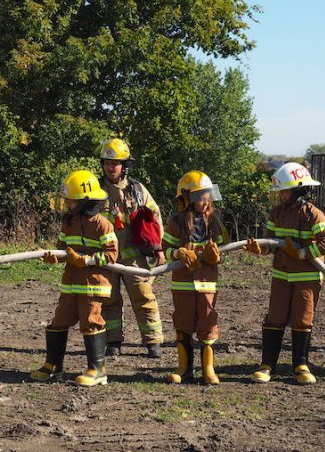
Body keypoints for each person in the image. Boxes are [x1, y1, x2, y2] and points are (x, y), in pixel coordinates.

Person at [244, 162, 325, 385]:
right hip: (282, 275)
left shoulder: (313, 215)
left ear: (297, 190)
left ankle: (300, 365)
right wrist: (260, 248)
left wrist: (302, 253)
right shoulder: (277, 213)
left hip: (307, 277)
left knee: (302, 320)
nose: (281, 195)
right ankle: (267, 365)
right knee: (275, 317)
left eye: (283, 191)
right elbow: (271, 242)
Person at [31, 170, 119, 386]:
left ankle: (97, 370)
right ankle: (53, 366)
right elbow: (62, 248)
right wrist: (55, 257)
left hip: (93, 285)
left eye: (70, 201)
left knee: (91, 321)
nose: (67, 204)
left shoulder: (103, 224)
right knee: (59, 321)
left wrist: (86, 261)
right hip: (71, 282)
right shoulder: (68, 223)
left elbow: (111, 255)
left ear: (84, 201)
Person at [98, 139, 165, 358]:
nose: (111, 167)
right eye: (107, 163)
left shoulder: (137, 190)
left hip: (134, 256)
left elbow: (155, 219)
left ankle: (153, 342)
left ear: (125, 165)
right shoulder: (95, 191)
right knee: (109, 299)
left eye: (115, 163)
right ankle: (113, 342)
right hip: (106, 257)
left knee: (143, 297)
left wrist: (158, 248)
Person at [162, 171, 228, 385]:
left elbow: (225, 250)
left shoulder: (214, 222)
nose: (204, 201)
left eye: (207, 195)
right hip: (183, 284)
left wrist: (217, 255)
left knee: (208, 322)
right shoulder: (177, 222)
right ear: (186, 198)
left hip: (207, 284)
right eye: (199, 196)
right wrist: (178, 253)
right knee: (183, 322)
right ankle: (184, 369)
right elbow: (166, 249)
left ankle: (208, 369)